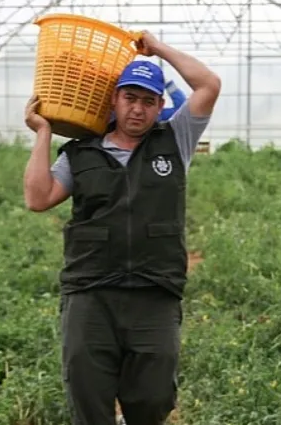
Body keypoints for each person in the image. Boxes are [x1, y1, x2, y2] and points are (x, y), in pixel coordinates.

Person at [22, 30, 221, 425]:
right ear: (114, 99)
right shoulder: (82, 153)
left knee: (153, 399)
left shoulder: (175, 141)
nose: (138, 109)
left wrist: (158, 48)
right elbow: (37, 197)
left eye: (148, 101)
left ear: (159, 106)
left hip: (154, 291)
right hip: (91, 292)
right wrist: (43, 133)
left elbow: (208, 85)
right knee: (88, 394)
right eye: (130, 97)